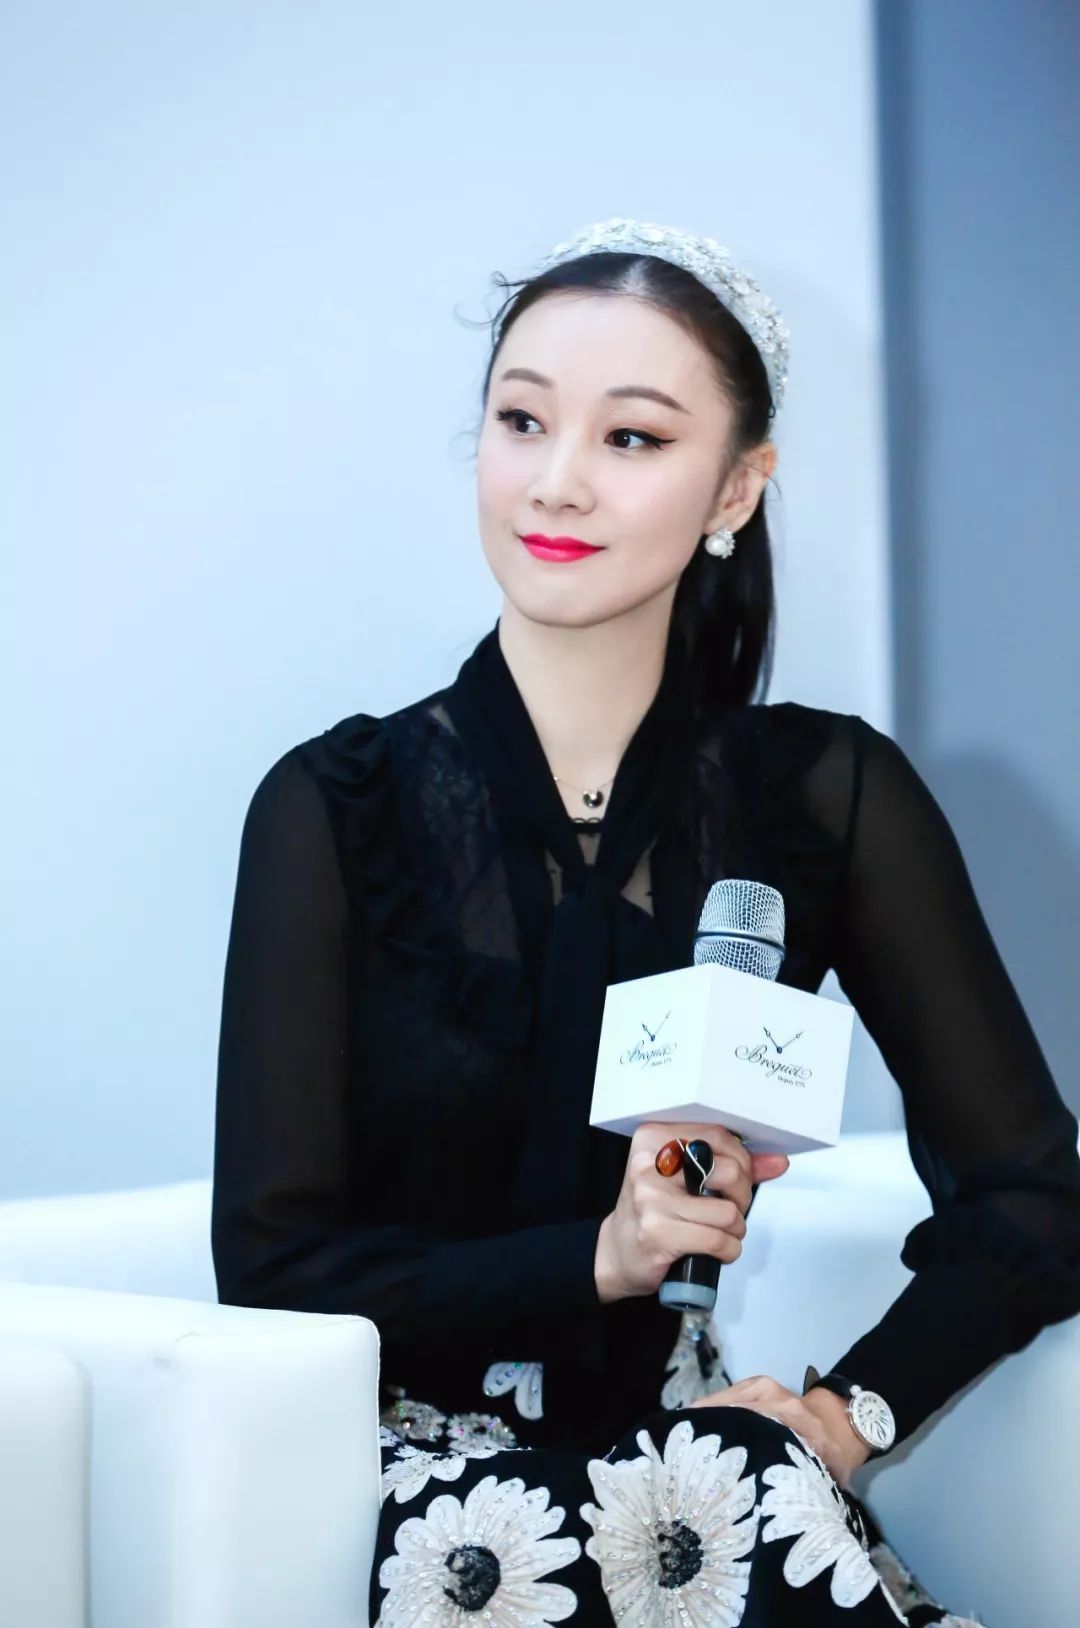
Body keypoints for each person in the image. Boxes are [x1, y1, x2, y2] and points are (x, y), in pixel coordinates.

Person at [211, 217, 1080, 1627]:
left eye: (631, 437)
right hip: (424, 1509)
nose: (557, 479)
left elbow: (1035, 1199)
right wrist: (600, 1257)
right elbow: (275, 1272)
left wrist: (842, 1418)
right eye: (522, 420)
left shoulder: (826, 795)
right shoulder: (333, 805)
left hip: (717, 1490)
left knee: (737, 1510)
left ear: (737, 486)